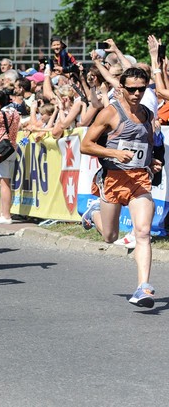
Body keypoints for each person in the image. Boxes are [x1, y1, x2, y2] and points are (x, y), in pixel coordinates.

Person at [80, 67, 161, 308]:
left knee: (143, 232)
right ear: (122, 89)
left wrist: (152, 161)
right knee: (110, 236)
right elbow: (86, 145)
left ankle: (143, 287)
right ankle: (93, 213)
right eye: (132, 89)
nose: (137, 93)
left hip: (139, 180)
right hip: (113, 179)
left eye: (141, 89)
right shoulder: (109, 113)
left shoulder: (147, 114)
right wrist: (113, 152)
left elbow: (145, 147)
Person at [0, 90, 20, 224]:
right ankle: (1, 212)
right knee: (3, 182)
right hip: (12, 148)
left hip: (1, 148)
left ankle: (6, 215)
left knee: (4, 183)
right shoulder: (15, 112)